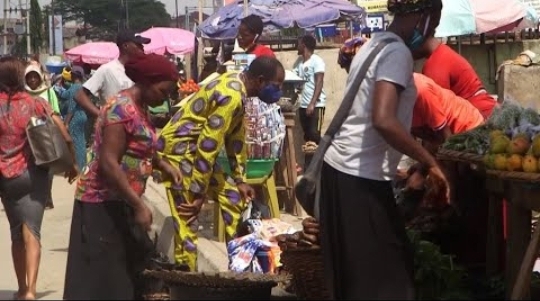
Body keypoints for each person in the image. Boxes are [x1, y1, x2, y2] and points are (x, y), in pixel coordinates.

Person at [320, 0, 447, 299]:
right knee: (391, 285)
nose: (433, 33)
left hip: (343, 173)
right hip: (359, 179)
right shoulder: (397, 53)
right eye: (435, 23)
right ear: (422, 17)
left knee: (359, 282)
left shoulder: (372, 45)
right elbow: (383, 119)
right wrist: (430, 162)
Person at [63, 53, 182, 300]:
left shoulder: (140, 109)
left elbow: (138, 146)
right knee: (102, 279)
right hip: (101, 203)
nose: (165, 97)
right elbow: (108, 162)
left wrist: (162, 165)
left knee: (124, 274)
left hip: (121, 201)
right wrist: (139, 205)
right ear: (147, 81)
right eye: (163, 91)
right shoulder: (121, 109)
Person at [156, 56, 285, 271]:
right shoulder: (231, 95)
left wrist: (239, 180)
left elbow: (235, 139)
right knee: (188, 217)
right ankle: (186, 276)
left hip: (195, 151)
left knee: (234, 199)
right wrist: (198, 196)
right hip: (179, 152)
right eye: (277, 86)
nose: (279, 92)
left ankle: (239, 268)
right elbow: (209, 146)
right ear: (261, 81)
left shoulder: (240, 89)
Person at [0, 56, 78, 301]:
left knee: (15, 233)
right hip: (33, 175)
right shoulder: (36, 104)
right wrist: (72, 162)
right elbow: (63, 133)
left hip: (5, 177)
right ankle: (32, 290)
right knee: (32, 231)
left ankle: (21, 289)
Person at [414, 36, 497, 118]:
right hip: (486, 109)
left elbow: (436, 110)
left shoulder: (435, 64)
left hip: (479, 114)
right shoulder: (443, 52)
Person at [74, 30, 151, 118]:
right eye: (138, 45)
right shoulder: (107, 69)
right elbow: (80, 96)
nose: (142, 48)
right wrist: (102, 116)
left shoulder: (140, 71)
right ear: (126, 46)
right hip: (116, 128)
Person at [25, 63, 63, 210]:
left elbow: (56, 112)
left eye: (35, 77)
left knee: (49, 167)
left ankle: (47, 197)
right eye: (30, 77)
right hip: (29, 135)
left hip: (47, 133)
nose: (33, 80)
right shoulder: (23, 94)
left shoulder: (49, 92)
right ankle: (37, 197)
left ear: (40, 78)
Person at [293, 35, 327, 151]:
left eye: (298, 44)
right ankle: (310, 166)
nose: (297, 46)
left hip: (316, 105)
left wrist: (312, 103)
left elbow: (319, 82)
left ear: (304, 45)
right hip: (302, 105)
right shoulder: (298, 62)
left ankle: (327, 155)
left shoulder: (316, 61)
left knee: (314, 135)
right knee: (308, 138)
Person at [61, 67, 88, 171]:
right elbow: (64, 94)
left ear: (74, 75)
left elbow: (72, 106)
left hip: (75, 117)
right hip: (82, 115)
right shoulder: (81, 87)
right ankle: (84, 165)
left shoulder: (74, 88)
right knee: (81, 141)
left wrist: (66, 123)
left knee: (75, 143)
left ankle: (79, 166)